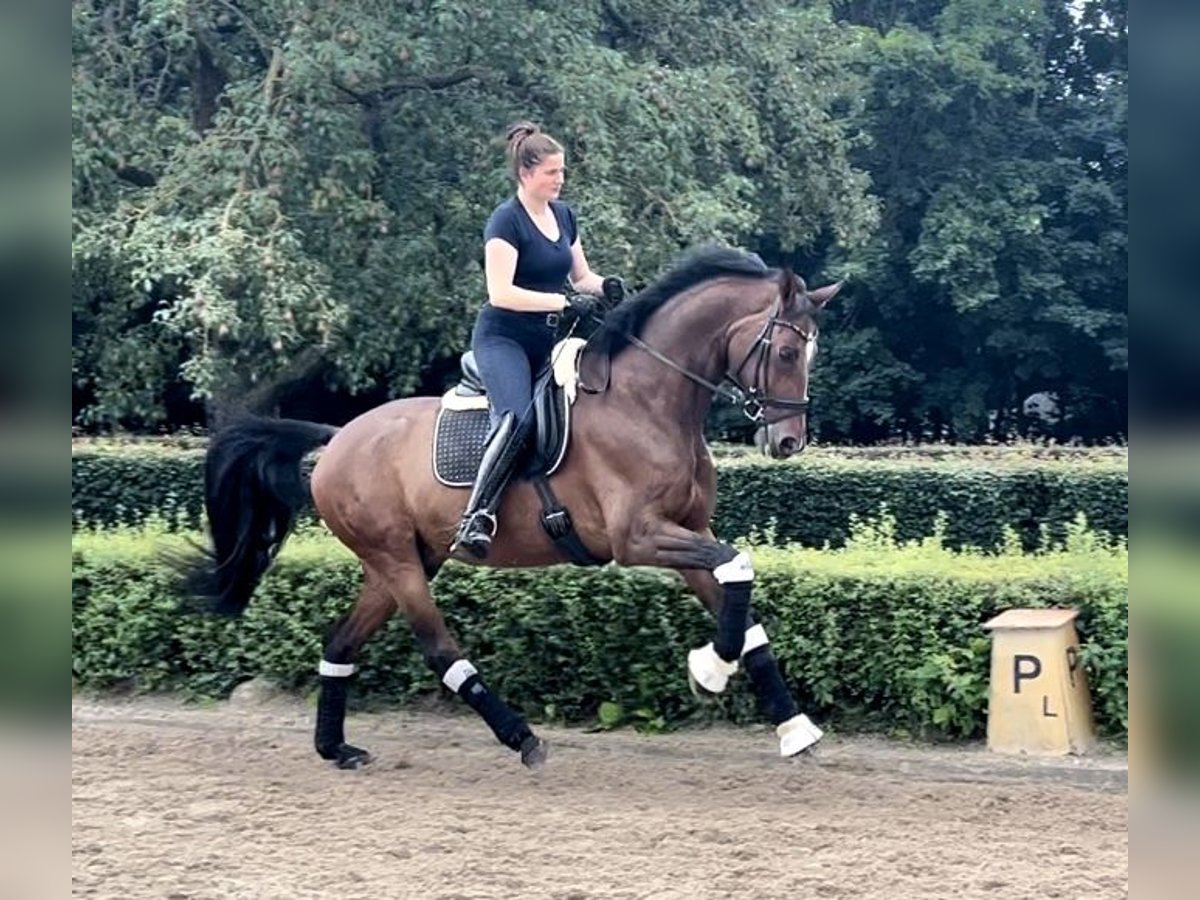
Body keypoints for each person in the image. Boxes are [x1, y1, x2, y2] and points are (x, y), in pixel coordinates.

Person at [450, 121, 622, 559]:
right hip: (503, 339)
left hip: (548, 343)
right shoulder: (506, 220)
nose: (560, 179)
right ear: (526, 173)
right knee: (517, 419)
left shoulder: (564, 215)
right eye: (552, 172)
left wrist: (609, 288)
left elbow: (581, 277)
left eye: (562, 171)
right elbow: (500, 292)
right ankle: (477, 517)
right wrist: (562, 304)